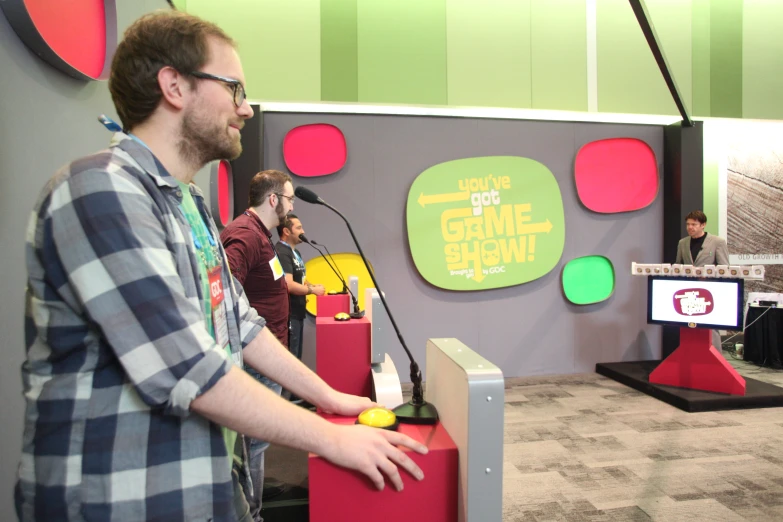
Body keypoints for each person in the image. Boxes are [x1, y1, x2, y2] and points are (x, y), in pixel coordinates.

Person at [16, 10, 426, 522]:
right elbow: (187, 367)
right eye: (234, 88)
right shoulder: (100, 190)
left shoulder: (188, 203)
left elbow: (241, 324)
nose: (247, 109)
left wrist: (331, 397)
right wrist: (332, 440)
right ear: (174, 86)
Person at [219, 170, 294, 512]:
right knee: (253, 444)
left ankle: (253, 505)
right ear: (273, 199)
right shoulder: (245, 235)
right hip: (256, 360)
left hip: (269, 354)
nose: (292, 207)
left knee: (258, 444)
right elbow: (224, 290)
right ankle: (252, 512)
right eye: (289, 199)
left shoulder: (261, 234)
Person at [275, 213, 325, 379]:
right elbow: (288, 284)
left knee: (297, 357)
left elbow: (300, 279)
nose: (303, 231)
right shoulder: (282, 252)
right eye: (298, 228)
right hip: (289, 315)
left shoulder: (295, 253)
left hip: (298, 312)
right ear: (286, 232)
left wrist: (311, 286)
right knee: (291, 359)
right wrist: (312, 291)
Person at [675, 210, 730, 350]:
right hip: (689, 291)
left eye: (694, 224)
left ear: (703, 225)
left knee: (711, 327)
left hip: (709, 290)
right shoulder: (682, 243)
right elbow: (678, 266)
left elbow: (724, 268)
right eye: (688, 224)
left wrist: (708, 275)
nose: (690, 227)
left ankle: (717, 359)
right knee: (690, 326)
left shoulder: (717, 242)